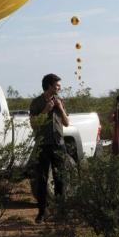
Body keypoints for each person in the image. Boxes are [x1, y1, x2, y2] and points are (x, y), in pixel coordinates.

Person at [29, 73, 70, 224]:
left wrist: (60, 107)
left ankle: (61, 212)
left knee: (61, 179)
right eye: (57, 85)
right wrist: (45, 110)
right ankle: (42, 212)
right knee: (42, 179)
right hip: (43, 145)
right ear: (49, 86)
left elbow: (66, 123)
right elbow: (33, 124)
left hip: (59, 144)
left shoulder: (60, 100)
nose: (59, 87)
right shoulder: (37, 102)